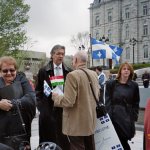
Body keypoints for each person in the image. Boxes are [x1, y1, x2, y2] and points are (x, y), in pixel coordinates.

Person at [52, 51, 100, 150]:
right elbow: (97, 96)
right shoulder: (94, 74)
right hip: (90, 121)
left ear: (76, 60)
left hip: (76, 124)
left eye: (73, 60)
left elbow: (68, 101)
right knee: (90, 146)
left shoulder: (72, 75)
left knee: (77, 147)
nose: (72, 62)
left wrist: (56, 97)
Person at [35, 44, 72, 149]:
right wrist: (41, 107)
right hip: (48, 110)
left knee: (63, 139)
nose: (61, 56)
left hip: (63, 110)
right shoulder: (43, 71)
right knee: (48, 139)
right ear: (52, 55)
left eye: (62, 54)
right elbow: (38, 90)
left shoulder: (69, 71)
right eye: (58, 53)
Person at [0, 56, 36, 149]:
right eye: (5, 71)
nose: (9, 73)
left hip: (22, 130)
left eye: (12, 70)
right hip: (2, 132)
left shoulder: (22, 80)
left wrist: (12, 104)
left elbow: (31, 98)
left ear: (16, 70)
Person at [105, 62, 140, 150]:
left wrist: (134, 117)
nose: (126, 71)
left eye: (128, 69)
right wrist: (109, 118)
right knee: (117, 141)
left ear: (131, 72)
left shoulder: (134, 86)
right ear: (120, 71)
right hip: (114, 117)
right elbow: (108, 102)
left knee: (124, 140)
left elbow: (136, 102)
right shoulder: (111, 84)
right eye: (124, 69)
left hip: (127, 118)